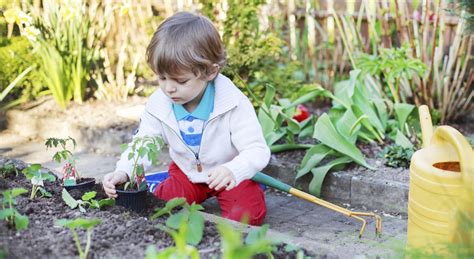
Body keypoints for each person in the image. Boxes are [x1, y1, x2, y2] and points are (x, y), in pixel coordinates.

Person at [102, 11, 270, 226]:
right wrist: (123, 171)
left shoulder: (232, 102)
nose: (169, 88)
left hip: (228, 174)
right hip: (187, 173)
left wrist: (235, 170)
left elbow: (257, 150)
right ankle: (169, 188)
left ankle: (252, 190)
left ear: (210, 72)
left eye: (180, 81)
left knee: (246, 217)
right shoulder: (160, 104)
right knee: (158, 205)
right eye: (162, 78)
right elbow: (143, 142)